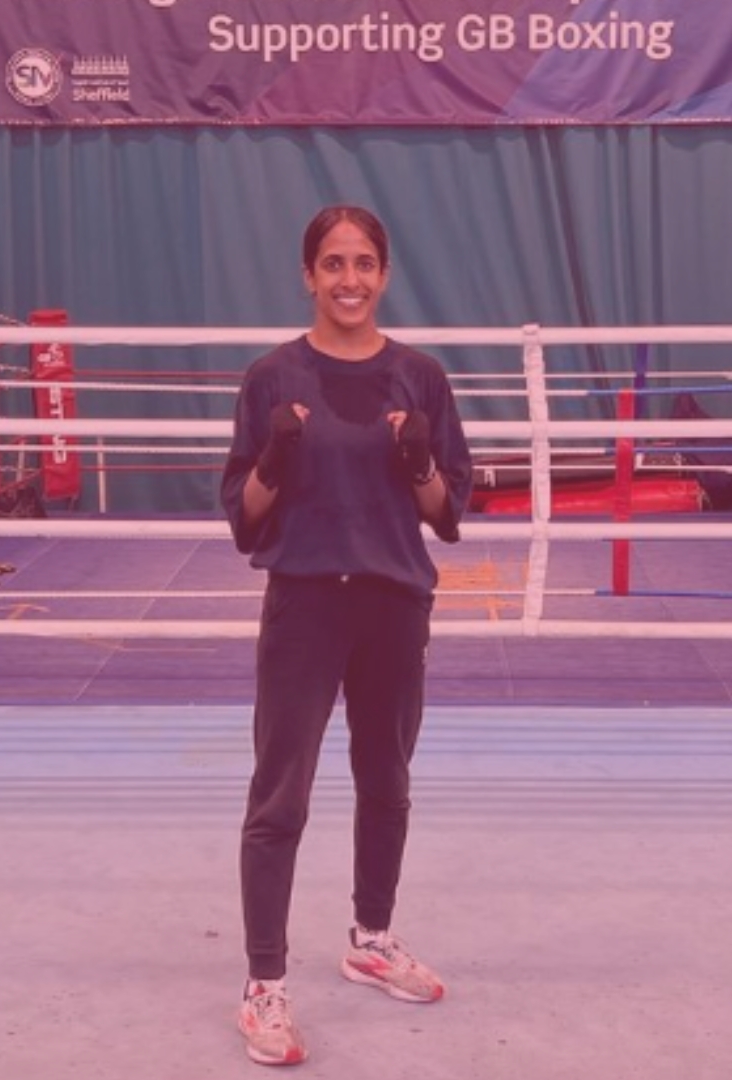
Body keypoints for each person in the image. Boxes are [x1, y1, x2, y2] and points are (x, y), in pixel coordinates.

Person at [220, 205, 472, 1067]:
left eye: (364, 263)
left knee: (387, 782)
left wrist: (421, 462)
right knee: (279, 796)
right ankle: (263, 984)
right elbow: (246, 521)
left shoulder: (420, 377)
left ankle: (371, 939)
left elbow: (446, 515)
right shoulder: (271, 377)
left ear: (384, 274)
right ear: (308, 275)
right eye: (333, 263)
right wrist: (273, 459)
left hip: (393, 602)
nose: (350, 279)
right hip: (304, 606)